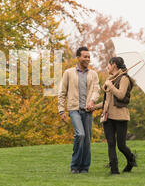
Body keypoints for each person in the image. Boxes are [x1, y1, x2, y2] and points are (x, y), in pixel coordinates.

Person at [58, 46, 100, 174]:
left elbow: (96, 90)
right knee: (80, 134)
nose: (87, 59)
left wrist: (92, 101)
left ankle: (84, 167)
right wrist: (61, 110)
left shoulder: (93, 74)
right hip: (74, 109)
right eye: (85, 56)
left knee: (87, 139)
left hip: (87, 111)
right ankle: (75, 166)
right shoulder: (68, 73)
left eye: (89, 57)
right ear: (78, 58)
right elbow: (62, 92)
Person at [94, 57, 137, 175]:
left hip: (120, 117)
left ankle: (131, 160)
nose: (107, 67)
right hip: (108, 117)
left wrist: (110, 86)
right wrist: (93, 107)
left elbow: (121, 95)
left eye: (108, 64)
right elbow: (107, 102)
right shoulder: (111, 79)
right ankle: (114, 170)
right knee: (111, 143)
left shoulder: (124, 78)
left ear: (113, 65)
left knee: (121, 145)